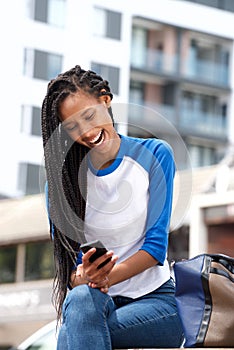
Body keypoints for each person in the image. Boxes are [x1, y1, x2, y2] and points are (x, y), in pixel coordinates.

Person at [41, 65, 184, 349]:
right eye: (72, 127)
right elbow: (72, 274)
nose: (86, 132)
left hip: (157, 304)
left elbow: (155, 249)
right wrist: (83, 277)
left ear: (105, 100)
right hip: (94, 303)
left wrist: (103, 277)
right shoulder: (60, 188)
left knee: (74, 333)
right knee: (81, 301)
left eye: (89, 116)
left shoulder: (154, 155)